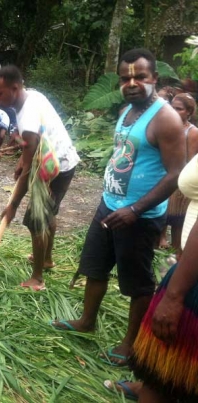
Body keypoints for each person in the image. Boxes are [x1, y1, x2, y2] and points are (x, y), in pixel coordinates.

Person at [50, 49, 185, 368]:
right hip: (109, 206)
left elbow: (176, 174)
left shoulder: (166, 119)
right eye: (126, 78)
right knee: (94, 267)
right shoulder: (127, 110)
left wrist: (136, 209)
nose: (132, 82)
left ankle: (131, 343)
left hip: (139, 218)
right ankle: (86, 321)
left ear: (154, 78)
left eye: (140, 76)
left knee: (137, 283)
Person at [105, 150, 198, 402]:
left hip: (192, 282)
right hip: (189, 265)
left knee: (163, 375)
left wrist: (175, 295)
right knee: (168, 374)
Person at [0, 65, 80, 290]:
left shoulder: (27, 120)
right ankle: (47, 259)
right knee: (48, 213)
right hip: (61, 162)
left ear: (15, 87)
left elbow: (29, 170)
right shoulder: (31, 95)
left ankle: (38, 278)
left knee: (35, 219)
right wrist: (23, 160)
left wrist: (13, 205)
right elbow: (32, 147)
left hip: (55, 169)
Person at [162, 93, 198, 257]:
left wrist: (181, 186)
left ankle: (177, 254)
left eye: (179, 109)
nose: (174, 111)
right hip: (162, 177)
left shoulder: (192, 132)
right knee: (160, 215)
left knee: (178, 221)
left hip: (178, 182)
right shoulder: (166, 126)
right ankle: (161, 242)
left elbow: (190, 162)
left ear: (189, 112)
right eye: (172, 107)